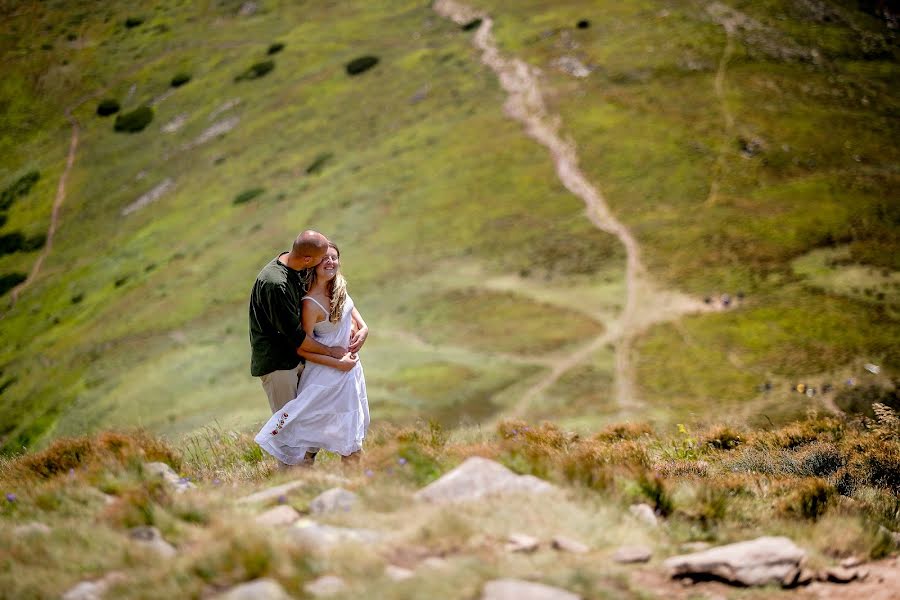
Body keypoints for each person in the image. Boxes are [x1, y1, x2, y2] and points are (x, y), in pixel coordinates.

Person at [256, 241, 370, 465]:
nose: (330, 261)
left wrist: (364, 328)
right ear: (315, 264)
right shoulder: (309, 302)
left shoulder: (339, 287)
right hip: (328, 372)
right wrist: (339, 363)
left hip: (350, 372)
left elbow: (350, 309)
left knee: (350, 431)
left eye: (334, 257)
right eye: (325, 258)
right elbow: (302, 347)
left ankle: (355, 485)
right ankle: (303, 480)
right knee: (311, 432)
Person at [249, 231, 352, 415]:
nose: (323, 262)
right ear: (307, 259)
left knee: (308, 425)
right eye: (321, 258)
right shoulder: (276, 284)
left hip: (298, 361)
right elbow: (297, 337)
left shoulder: (298, 267)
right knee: (288, 427)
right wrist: (332, 353)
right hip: (279, 366)